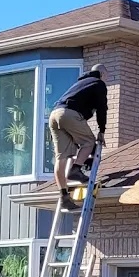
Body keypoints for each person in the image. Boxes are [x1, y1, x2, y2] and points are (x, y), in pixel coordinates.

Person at [48, 63, 108, 212]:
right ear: (102, 74)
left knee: (61, 157)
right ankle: (75, 169)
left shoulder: (80, 84)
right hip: (68, 114)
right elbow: (102, 108)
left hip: (54, 114)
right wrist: (101, 131)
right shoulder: (98, 83)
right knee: (89, 141)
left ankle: (64, 196)